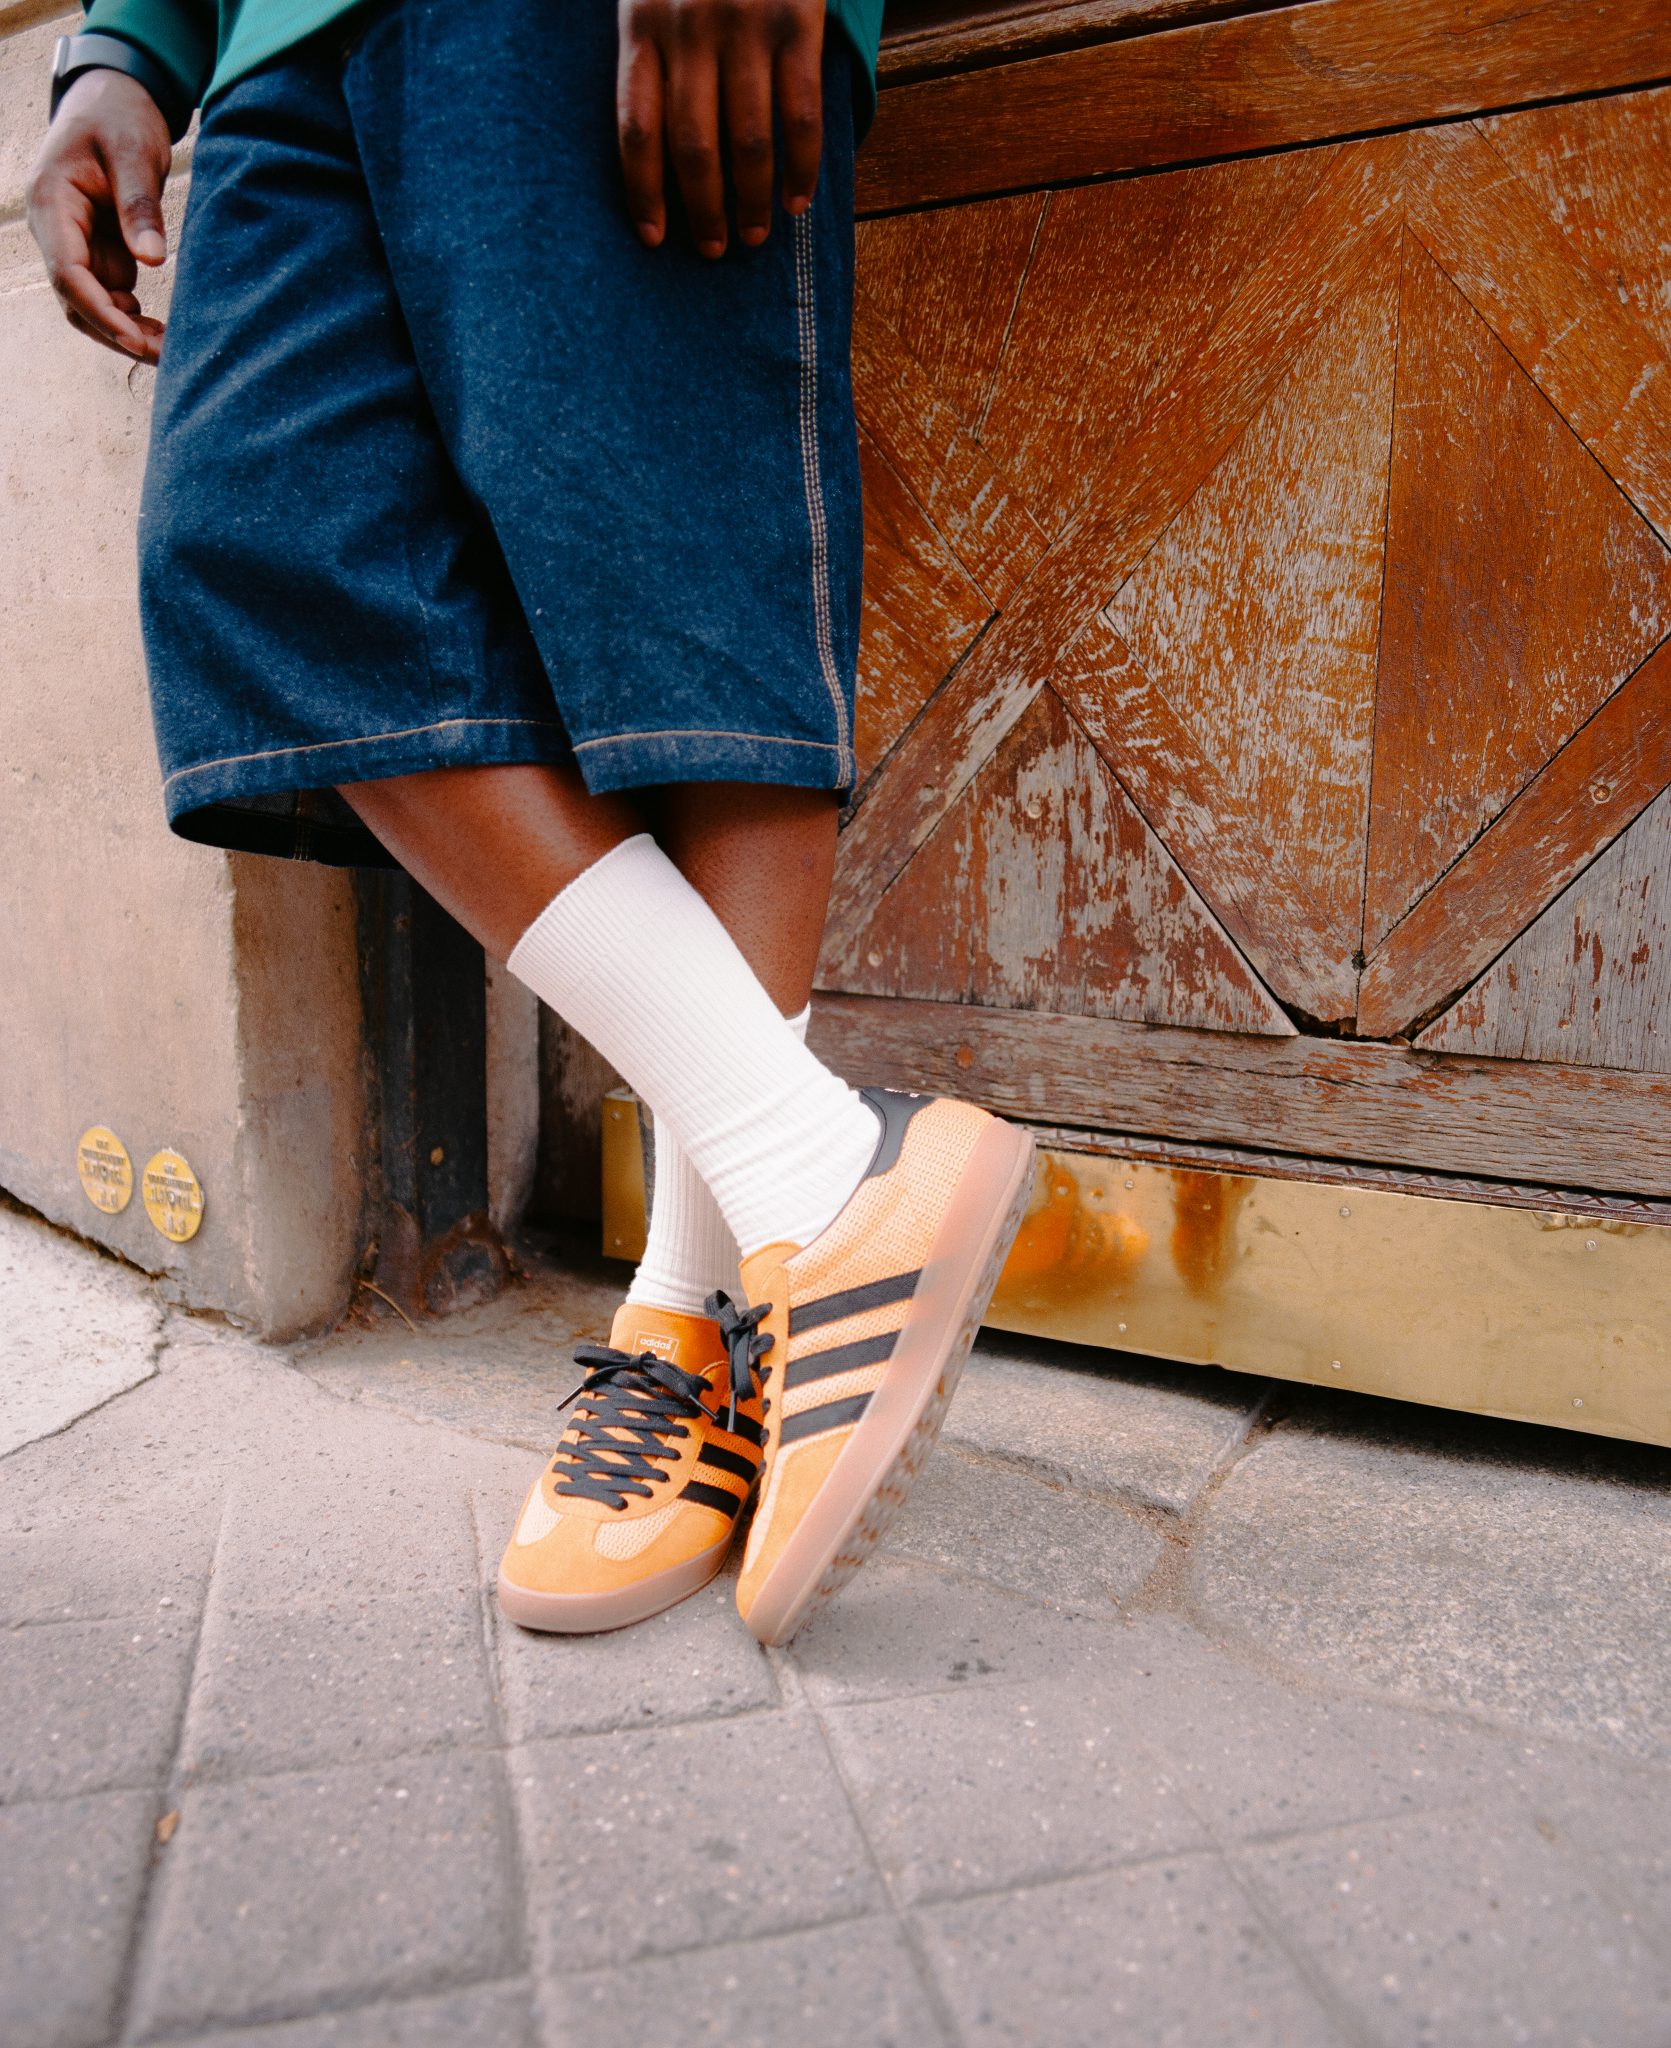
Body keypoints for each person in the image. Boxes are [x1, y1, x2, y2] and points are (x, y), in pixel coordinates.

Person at [27, 0, 1035, 1647]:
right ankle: (817, 1174)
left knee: (677, 577)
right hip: (284, 36)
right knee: (257, 542)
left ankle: (691, 1327)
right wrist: (127, 44)